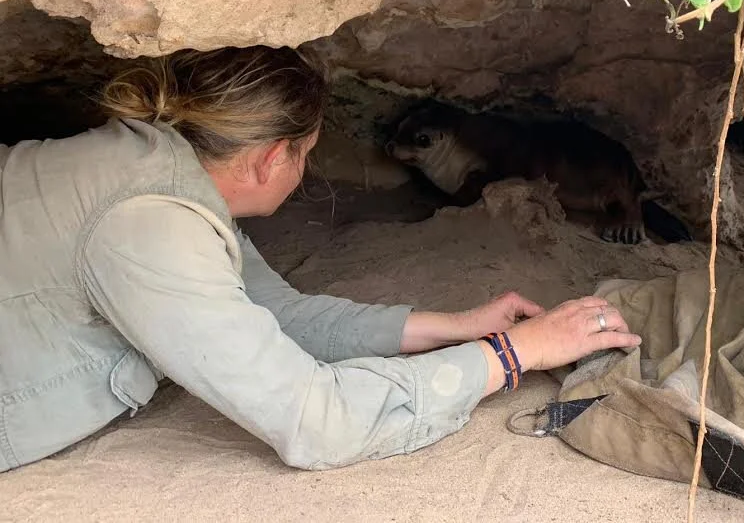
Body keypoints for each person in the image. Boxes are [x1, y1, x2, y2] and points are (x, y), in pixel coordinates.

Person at [0, 46, 642, 473]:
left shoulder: (161, 171)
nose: (307, 169)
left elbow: (278, 313)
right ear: (270, 158)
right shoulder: (150, 225)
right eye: (306, 152)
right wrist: (513, 357)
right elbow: (315, 421)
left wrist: (458, 327)